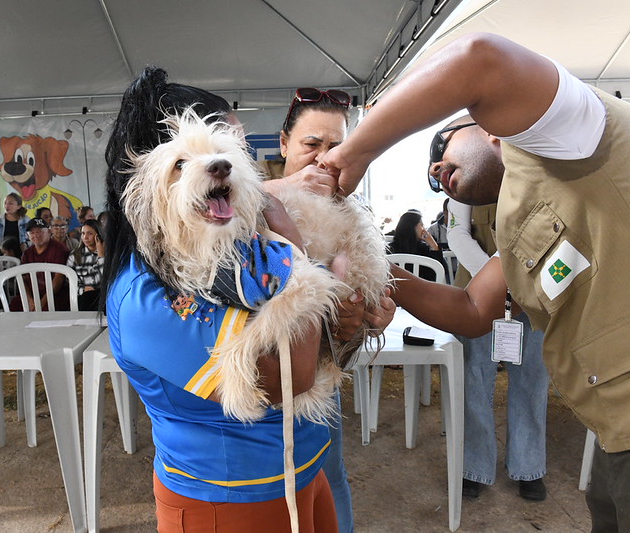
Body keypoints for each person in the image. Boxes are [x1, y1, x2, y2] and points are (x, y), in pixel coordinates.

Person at [323, 32, 630, 531]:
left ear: (490, 123)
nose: (436, 170)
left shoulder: (576, 132)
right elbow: (474, 312)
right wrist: (376, 270)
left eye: (443, 145)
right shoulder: (519, 221)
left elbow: (480, 59)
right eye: (432, 174)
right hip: (622, 431)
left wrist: (352, 154)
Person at [102, 67, 367, 533]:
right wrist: (295, 248)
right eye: (186, 161)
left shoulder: (244, 248)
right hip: (230, 501)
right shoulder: (142, 297)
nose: (229, 167)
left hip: (307, 468)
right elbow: (293, 377)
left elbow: (325, 345)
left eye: (235, 152)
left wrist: (352, 321)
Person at [264, 86, 396, 533]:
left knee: (328, 473)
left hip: (319, 384)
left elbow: (360, 308)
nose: (323, 158)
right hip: (255, 383)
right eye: (311, 144)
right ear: (283, 144)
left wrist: (366, 320)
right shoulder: (241, 199)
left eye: (336, 146)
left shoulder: (351, 216)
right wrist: (280, 188)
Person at [447, 198, 549, 500]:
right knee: (473, 380)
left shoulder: (539, 168)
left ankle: (529, 467)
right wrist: (498, 281)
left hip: (533, 296)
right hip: (474, 295)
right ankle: (473, 468)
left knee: (533, 381)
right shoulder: (468, 167)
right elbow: (457, 233)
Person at [18, 218, 70, 311]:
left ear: (49, 232)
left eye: (39, 232)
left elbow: (58, 279)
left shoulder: (59, 250)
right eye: (32, 233)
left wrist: (42, 302)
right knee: (15, 304)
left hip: (54, 295)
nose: (36, 235)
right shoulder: (27, 253)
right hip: (34, 295)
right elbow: (22, 279)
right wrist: (30, 300)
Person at [387, 209, 448, 282]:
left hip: (396, 292)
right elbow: (442, 272)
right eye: (422, 225)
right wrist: (433, 245)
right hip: (425, 292)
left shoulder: (389, 249)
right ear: (412, 227)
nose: (424, 229)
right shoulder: (424, 250)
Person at [66, 219, 104, 311]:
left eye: (89, 234)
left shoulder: (108, 253)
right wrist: (82, 289)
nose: (85, 237)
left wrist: (101, 256)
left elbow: (105, 278)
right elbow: (69, 281)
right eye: (83, 233)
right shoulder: (74, 255)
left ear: (98, 235)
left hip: (103, 296)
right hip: (83, 297)